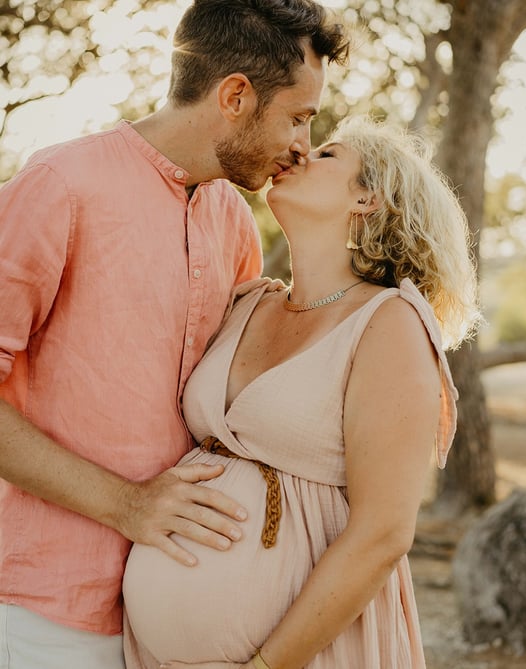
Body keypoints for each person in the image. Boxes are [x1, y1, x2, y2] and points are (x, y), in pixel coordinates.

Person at [0, 1, 349, 667]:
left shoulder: (233, 222)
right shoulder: (61, 184)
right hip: (50, 612)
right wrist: (127, 505)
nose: (302, 143)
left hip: (167, 615)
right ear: (236, 95)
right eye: (298, 117)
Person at [122, 114, 481, 669]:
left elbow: (384, 533)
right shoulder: (248, 302)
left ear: (368, 200)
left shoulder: (389, 323)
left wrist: (268, 666)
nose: (299, 154)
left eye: (329, 154)